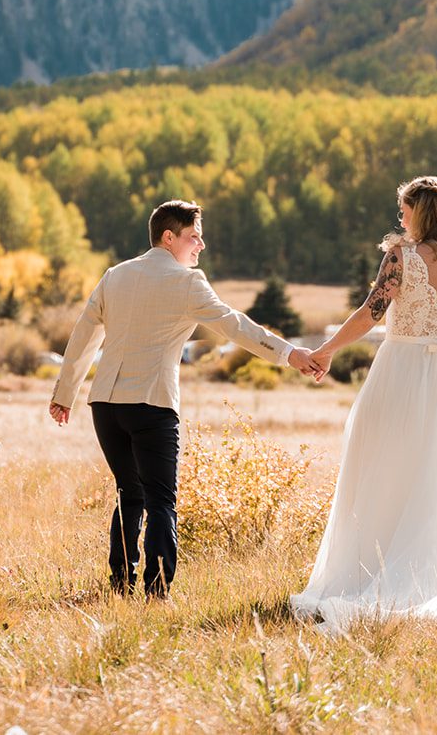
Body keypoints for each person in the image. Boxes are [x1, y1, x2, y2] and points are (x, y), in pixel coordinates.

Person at [49, 199, 322, 598]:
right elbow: (235, 326)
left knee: (130, 492)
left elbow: (84, 337)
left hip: (105, 406)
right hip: (152, 404)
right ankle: (157, 592)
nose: (201, 246)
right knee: (161, 501)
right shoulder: (187, 283)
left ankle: (121, 585)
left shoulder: (115, 276)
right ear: (168, 237)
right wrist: (288, 353)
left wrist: (65, 394)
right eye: (194, 237)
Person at [290, 175, 437, 632]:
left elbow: (371, 312)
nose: (401, 218)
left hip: (401, 374)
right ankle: (429, 576)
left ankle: (366, 576)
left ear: (419, 212)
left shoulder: (403, 257)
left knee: (381, 472)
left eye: (405, 210)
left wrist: (326, 350)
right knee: (435, 477)